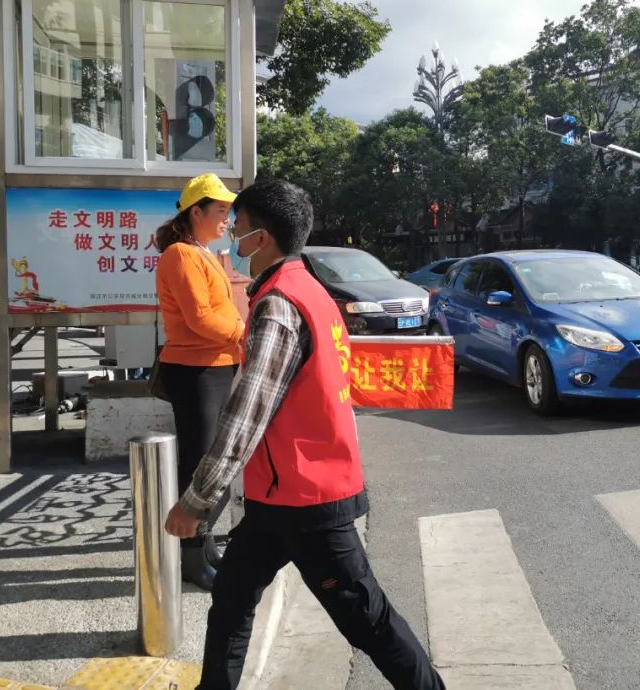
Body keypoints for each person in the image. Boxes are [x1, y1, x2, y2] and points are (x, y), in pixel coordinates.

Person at [164, 180, 445, 690]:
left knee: (368, 621)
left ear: (263, 238)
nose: (233, 238)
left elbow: (245, 416)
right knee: (230, 602)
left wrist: (196, 500)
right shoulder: (308, 287)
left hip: (308, 500)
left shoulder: (277, 305)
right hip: (280, 496)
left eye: (240, 228)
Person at [155, 173, 246, 591]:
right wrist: (245, 333)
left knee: (213, 462)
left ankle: (204, 548)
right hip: (197, 372)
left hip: (215, 367)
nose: (228, 219)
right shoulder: (181, 255)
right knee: (200, 466)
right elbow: (201, 318)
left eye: (229, 212)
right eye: (222, 211)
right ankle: (192, 559)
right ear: (197, 212)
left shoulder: (204, 253)